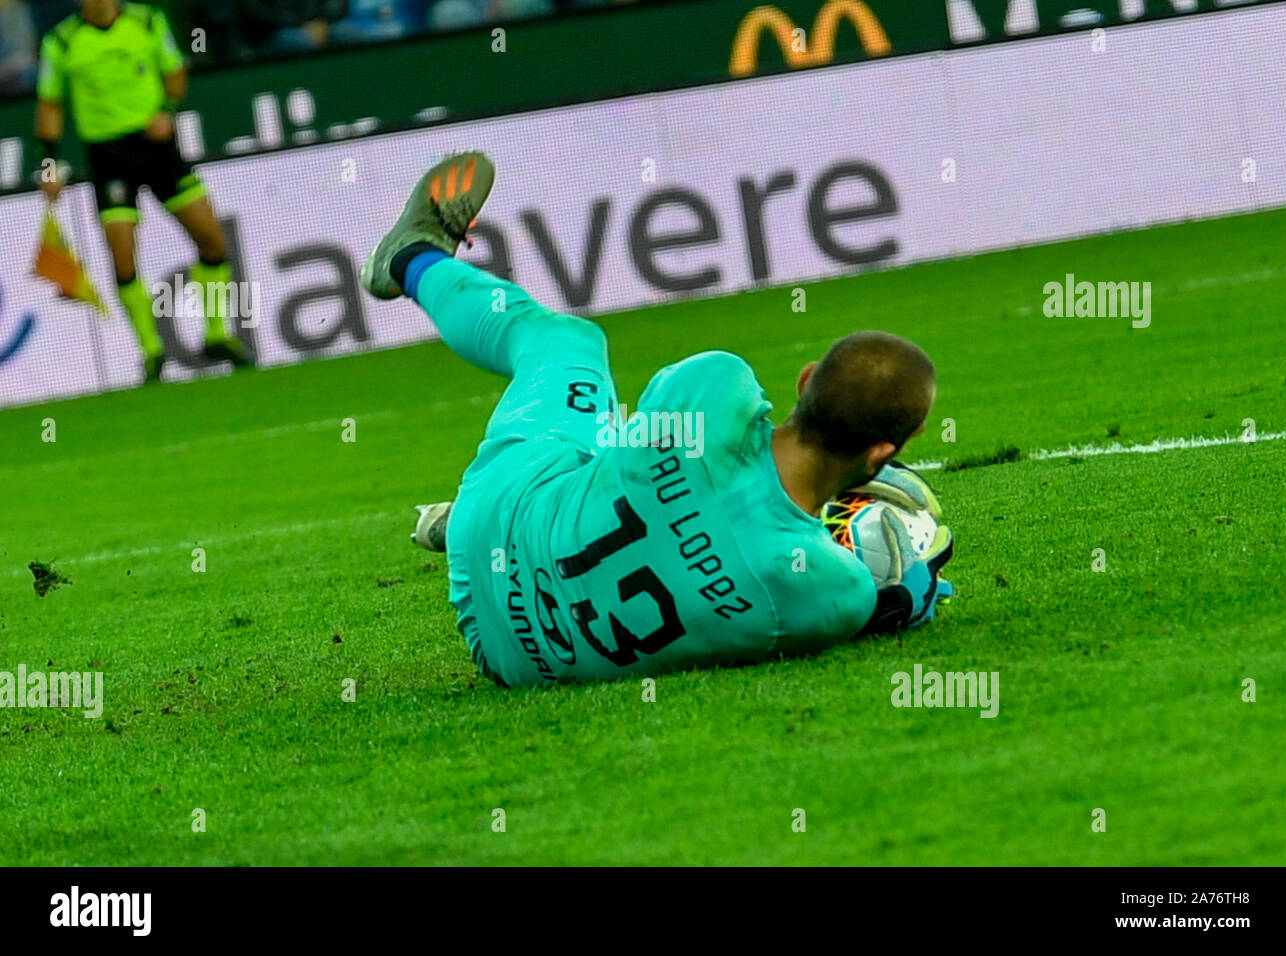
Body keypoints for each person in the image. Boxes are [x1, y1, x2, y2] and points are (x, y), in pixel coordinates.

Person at [360, 152, 953, 687]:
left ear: (806, 378)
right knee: (624, 463)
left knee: (565, 344)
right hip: (511, 659)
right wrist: (906, 596)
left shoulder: (718, 387)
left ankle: (412, 257)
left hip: (497, 519)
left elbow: (639, 442)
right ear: (885, 450)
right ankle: (468, 513)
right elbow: (866, 600)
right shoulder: (836, 590)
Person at [35, 0, 250, 382]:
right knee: (122, 258)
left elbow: (175, 72)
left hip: (158, 151)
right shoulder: (61, 42)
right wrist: (49, 164)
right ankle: (151, 352)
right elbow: (50, 104)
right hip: (108, 158)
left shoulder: (148, 21)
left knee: (211, 239)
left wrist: (167, 109)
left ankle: (217, 334)